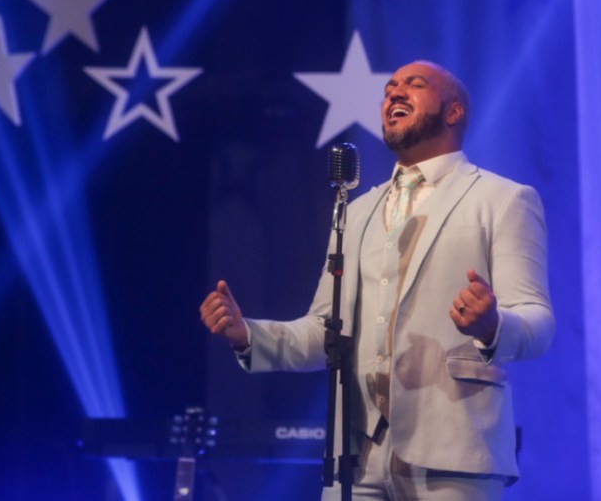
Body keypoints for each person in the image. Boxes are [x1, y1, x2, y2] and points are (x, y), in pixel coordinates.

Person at [200, 61, 554, 500]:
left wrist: (493, 326)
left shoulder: (502, 199)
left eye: (415, 85)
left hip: (454, 451)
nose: (395, 93)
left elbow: (538, 322)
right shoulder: (356, 211)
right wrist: (248, 335)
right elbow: (324, 331)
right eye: (389, 89)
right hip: (356, 455)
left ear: (454, 111)